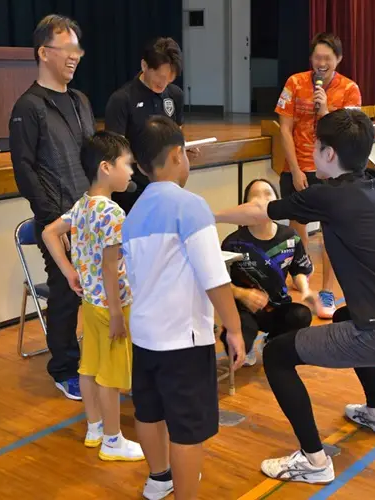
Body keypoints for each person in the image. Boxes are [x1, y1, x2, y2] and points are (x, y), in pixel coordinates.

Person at [215, 109, 375, 484]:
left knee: (277, 354)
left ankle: (314, 461)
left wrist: (203, 214)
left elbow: (258, 212)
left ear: (329, 154)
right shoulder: (374, 180)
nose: (310, 150)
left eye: (315, 145)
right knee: (347, 316)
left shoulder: (329, 196)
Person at [121, 116, 246, 500]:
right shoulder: (191, 206)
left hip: (144, 336)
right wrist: (234, 328)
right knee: (188, 429)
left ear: (141, 165)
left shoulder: (134, 213)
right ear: (178, 155)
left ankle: (159, 479)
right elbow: (214, 277)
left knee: (149, 412)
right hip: (183, 340)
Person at [42, 131, 144, 461]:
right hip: (112, 306)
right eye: (127, 165)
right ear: (105, 167)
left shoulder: (82, 206)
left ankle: (95, 427)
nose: (131, 172)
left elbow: (48, 232)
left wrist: (69, 271)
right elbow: (110, 270)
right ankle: (113, 440)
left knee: (89, 368)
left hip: (90, 304)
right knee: (111, 376)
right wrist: (117, 313)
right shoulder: (113, 214)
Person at [9, 14, 95, 400]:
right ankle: (63, 367)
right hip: (56, 220)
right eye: (67, 49)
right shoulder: (29, 106)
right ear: (44, 53)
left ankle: (95, 356)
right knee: (65, 288)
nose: (75, 57)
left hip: (89, 211)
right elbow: (24, 170)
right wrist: (54, 218)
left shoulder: (79, 100)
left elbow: (95, 155)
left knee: (101, 284)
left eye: (78, 49)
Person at [276, 32, 362, 319]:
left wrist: (325, 110)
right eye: (317, 57)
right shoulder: (295, 83)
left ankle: (327, 289)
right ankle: (303, 283)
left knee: (330, 232)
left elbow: (349, 137)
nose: (321, 63)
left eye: (327, 58)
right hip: (297, 168)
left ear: (338, 59)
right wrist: (296, 169)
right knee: (296, 228)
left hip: (332, 173)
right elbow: (284, 128)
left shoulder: (350, 90)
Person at [220, 179, 314, 366]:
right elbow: (219, 283)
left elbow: (299, 270)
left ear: (277, 202)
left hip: (277, 307)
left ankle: (272, 342)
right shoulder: (232, 243)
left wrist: (306, 290)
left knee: (302, 315)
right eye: (254, 196)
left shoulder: (290, 236)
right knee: (236, 348)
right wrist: (243, 294)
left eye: (267, 194)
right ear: (244, 206)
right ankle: (243, 346)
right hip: (246, 311)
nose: (261, 201)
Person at [105, 37, 185, 214]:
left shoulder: (175, 95)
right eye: (160, 77)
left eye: (170, 79)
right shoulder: (122, 100)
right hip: (134, 191)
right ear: (144, 66)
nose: (163, 84)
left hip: (168, 188)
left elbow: (177, 132)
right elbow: (114, 152)